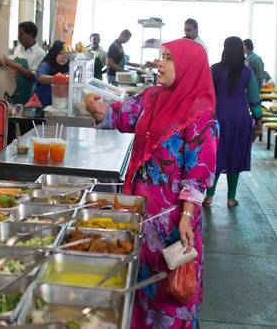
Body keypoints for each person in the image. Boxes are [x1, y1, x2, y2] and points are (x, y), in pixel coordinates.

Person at [84, 39, 217, 328]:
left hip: (173, 222)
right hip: (140, 213)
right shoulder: (153, 97)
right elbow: (123, 114)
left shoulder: (200, 114)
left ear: (188, 68)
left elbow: (199, 172)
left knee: (169, 293)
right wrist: (100, 111)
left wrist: (186, 217)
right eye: (161, 57)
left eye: (169, 58)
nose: (161, 63)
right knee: (138, 288)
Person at [204, 36, 261, 208]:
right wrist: (259, 120)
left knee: (216, 155)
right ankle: (231, 198)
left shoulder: (214, 69)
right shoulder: (247, 73)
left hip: (217, 117)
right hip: (240, 118)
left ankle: (209, 196)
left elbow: (205, 94)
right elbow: (254, 99)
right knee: (235, 154)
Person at [0, 21, 45, 105]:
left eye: (21, 34)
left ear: (30, 35)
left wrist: (16, 66)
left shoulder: (39, 53)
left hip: (27, 96)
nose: (19, 37)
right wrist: (3, 63)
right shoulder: (18, 48)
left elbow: (33, 77)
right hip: (13, 93)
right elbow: (12, 67)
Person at [32, 40, 69, 107]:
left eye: (66, 54)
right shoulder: (46, 65)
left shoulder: (68, 67)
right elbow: (41, 78)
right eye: (60, 53)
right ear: (54, 53)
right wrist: (59, 78)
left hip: (59, 106)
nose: (63, 57)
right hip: (40, 106)